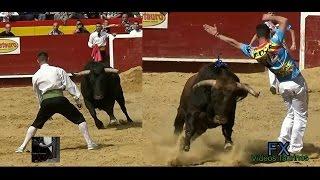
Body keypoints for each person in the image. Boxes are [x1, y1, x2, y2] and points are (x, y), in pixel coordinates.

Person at [203, 14, 308, 154]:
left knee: (290, 114)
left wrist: (217, 34)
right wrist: (271, 16)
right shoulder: (276, 41)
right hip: (296, 82)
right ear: (270, 33)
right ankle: (294, 149)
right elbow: (284, 21)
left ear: (257, 37)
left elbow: (234, 43)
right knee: (300, 116)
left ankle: (282, 143)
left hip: (282, 85)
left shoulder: (254, 51)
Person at [15, 51, 98, 153]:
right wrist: (77, 100)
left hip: (46, 102)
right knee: (80, 119)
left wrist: (42, 107)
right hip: (60, 99)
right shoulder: (58, 70)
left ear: (38, 61)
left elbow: (38, 94)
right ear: (48, 59)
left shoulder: (35, 76)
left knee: (35, 124)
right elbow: (69, 85)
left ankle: (22, 147)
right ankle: (90, 144)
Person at [249, 12, 297, 95]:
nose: (271, 14)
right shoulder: (266, 24)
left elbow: (291, 31)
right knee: (272, 65)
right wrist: (250, 43)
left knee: (282, 64)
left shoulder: (280, 22)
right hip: (271, 47)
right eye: (269, 13)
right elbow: (258, 34)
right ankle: (273, 86)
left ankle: (279, 86)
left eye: (272, 13)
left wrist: (293, 43)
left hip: (282, 47)